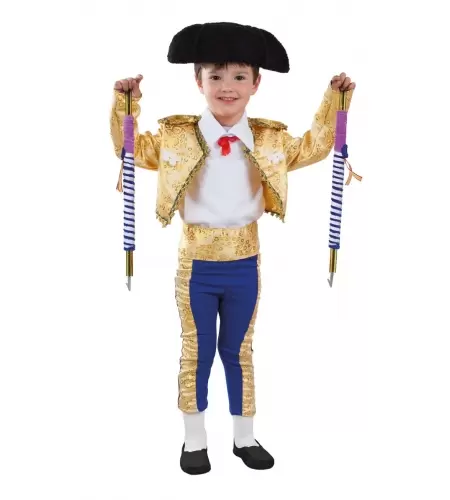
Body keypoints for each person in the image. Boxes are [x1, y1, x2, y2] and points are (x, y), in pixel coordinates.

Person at [110, 21, 355, 475]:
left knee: (239, 350)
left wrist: (334, 101)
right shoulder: (177, 136)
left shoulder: (269, 140)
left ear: (256, 84)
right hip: (196, 268)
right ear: (198, 81)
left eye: (240, 76)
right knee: (197, 350)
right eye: (216, 76)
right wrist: (126, 104)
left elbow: (316, 146)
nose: (228, 87)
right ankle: (195, 439)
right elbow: (131, 149)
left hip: (244, 265)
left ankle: (245, 437)